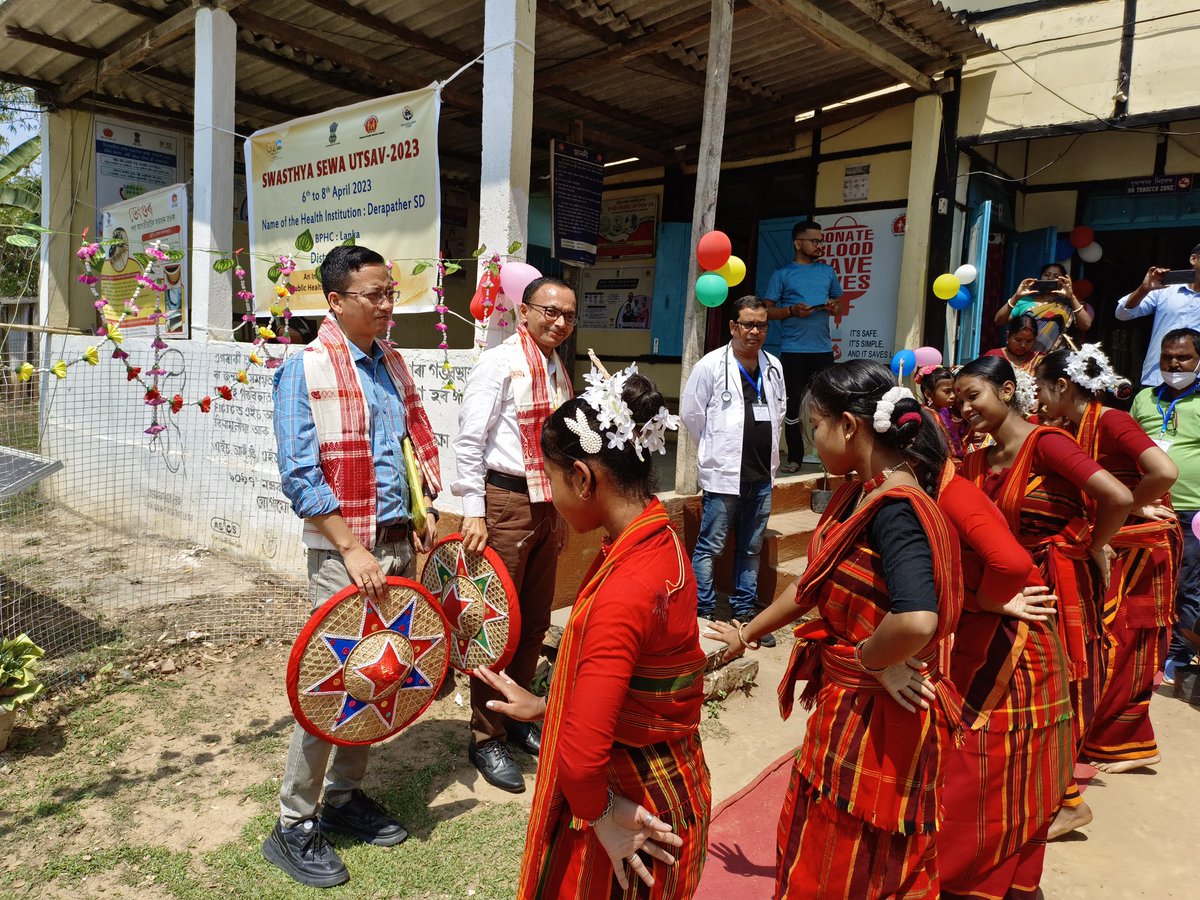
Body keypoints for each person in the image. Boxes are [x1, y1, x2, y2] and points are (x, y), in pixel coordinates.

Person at [708, 360, 963, 898]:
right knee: (828, 841)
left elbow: (917, 619)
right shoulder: (859, 493)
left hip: (883, 718)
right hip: (853, 707)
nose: (812, 441)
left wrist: (872, 658)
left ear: (849, 426)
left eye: (814, 427)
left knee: (857, 856)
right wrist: (745, 634)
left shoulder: (897, 509)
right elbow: (809, 587)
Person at [477, 369, 710, 899]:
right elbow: (634, 676)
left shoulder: (623, 587)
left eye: (551, 478)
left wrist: (602, 814)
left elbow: (582, 762)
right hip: (672, 784)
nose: (550, 493)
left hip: (631, 813)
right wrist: (548, 705)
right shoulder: (657, 539)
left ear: (583, 478)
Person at [264, 245, 443, 888]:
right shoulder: (304, 368)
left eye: (390, 291)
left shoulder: (392, 363)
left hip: (396, 542)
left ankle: (342, 799)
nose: (387, 304)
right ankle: (293, 822)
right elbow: (300, 473)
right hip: (348, 552)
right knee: (332, 684)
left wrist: (423, 506)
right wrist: (350, 546)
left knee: (381, 675)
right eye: (373, 294)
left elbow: (407, 442)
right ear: (335, 302)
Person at [954, 356, 1133, 842]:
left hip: (1052, 588)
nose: (964, 407)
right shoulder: (977, 458)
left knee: (1052, 696)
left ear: (1008, 390)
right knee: (1012, 701)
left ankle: (1063, 802)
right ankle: (1033, 797)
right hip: (1000, 590)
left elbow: (1116, 495)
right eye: (957, 400)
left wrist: (1092, 544)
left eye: (974, 395)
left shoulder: (1047, 444)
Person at [451, 276, 576, 793]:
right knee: (495, 626)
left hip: (548, 504)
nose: (559, 322)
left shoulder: (557, 369)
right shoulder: (499, 362)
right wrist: (473, 512)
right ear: (524, 312)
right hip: (503, 503)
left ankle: (521, 716)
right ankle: (486, 735)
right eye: (549, 311)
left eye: (568, 314)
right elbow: (468, 440)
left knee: (534, 620)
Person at [1036, 345, 1180, 775]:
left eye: (1042, 388)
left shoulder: (1112, 420)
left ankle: (1126, 741)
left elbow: (1165, 472)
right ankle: (1106, 736)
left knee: (1127, 640)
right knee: (1109, 638)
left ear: (1062, 385)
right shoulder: (1073, 424)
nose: (1040, 399)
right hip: (1114, 538)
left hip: (1143, 545)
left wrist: (1132, 505)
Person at [935, 454, 1072, 899]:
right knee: (1002, 766)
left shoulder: (954, 493)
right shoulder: (943, 486)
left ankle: (963, 875)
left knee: (985, 763)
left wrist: (988, 599)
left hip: (1014, 643)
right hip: (1002, 631)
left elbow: (1010, 564)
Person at [681, 296, 786, 643]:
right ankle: (703, 610)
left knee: (751, 548)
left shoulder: (774, 366)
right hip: (723, 474)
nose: (754, 331)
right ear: (733, 326)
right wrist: (715, 449)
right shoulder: (710, 365)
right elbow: (692, 416)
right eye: (748, 324)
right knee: (710, 546)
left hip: (760, 476)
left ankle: (744, 613)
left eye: (761, 325)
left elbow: (780, 412)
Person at [1129, 328, 1200, 684]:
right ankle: (1143, 652)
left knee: (1186, 584)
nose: (1174, 363)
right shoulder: (1143, 398)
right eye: (1167, 356)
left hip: (1192, 511)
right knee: (1144, 581)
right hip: (1145, 506)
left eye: (1183, 357)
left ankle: (1178, 655)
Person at [763, 219, 845, 473]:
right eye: (813, 240)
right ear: (798, 243)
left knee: (828, 403)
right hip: (793, 351)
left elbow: (841, 306)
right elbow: (766, 311)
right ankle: (795, 456)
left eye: (820, 241)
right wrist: (790, 311)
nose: (819, 245)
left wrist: (833, 307)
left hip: (822, 350)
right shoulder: (782, 274)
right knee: (793, 404)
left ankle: (828, 454)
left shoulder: (827, 272)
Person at [1115, 243, 1200, 387]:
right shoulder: (1165, 288)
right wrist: (1144, 289)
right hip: (1157, 378)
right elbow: (1122, 313)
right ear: (1193, 259)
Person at [994, 263, 1092, 354]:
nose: (1050, 278)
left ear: (1063, 281)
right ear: (1040, 278)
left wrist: (1071, 297)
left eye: (1056, 276)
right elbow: (998, 321)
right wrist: (1016, 296)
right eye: (1046, 274)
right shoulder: (1025, 301)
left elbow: (1086, 325)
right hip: (1022, 355)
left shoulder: (1068, 304)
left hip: (1051, 359)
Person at [916, 364, 965, 461]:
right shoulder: (927, 416)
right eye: (947, 392)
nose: (952, 396)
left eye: (953, 391)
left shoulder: (946, 412)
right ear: (928, 394)